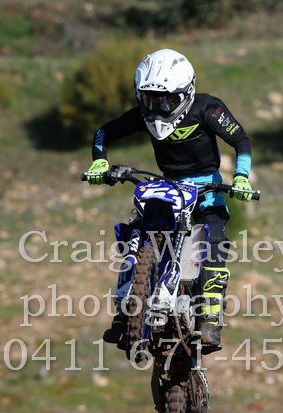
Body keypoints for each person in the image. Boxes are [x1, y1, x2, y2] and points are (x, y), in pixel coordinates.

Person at [86, 48, 252, 352]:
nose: (160, 108)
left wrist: (240, 177)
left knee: (214, 243)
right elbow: (103, 133)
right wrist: (100, 161)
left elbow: (240, 139)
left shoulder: (208, 108)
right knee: (136, 232)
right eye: (151, 100)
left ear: (186, 92)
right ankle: (125, 311)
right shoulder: (143, 115)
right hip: (167, 185)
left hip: (207, 188)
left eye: (168, 100)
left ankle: (210, 320)